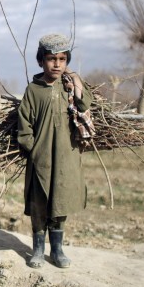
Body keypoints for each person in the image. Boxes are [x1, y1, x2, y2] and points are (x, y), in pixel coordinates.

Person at [16, 33, 91, 268]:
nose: (57, 64)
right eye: (51, 58)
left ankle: (57, 250)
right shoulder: (33, 90)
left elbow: (85, 105)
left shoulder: (68, 86)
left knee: (60, 203)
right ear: (41, 60)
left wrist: (76, 81)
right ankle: (38, 250)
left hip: (66, 157)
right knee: (40, 205)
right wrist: (34, 150)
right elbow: (24, 126)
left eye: (62, 59)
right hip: (40, 160)